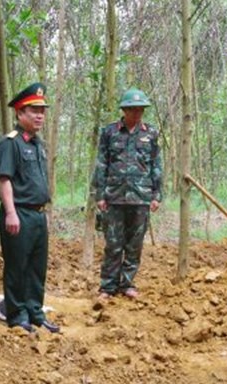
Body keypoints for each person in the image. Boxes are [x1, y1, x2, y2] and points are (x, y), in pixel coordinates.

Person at [0, 83, 59, 333]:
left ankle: (35, 311)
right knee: (17, 266)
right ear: (20, 113)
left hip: (38, 214)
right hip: (18, 213)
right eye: (34, 110)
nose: (40, 115)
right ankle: (17, 313)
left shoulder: (37, 144)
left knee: (36, 266)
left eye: (42, 110)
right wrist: (10, 212)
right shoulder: (10, 143)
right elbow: (4, 179)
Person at [92, 88, 162, 299]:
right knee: (113, 244)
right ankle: (107, 287)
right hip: (114, 197)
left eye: (140, 109)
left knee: (134, 245)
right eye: (132, 109)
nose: (137, 113)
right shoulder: (110, 132)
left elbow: (156, 165)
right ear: (124, 110)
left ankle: (127, 284)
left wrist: (157, 195)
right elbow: (102, 163)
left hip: (141, 197)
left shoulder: (151, 134)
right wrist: (100, 195)